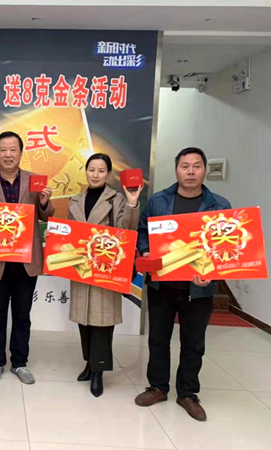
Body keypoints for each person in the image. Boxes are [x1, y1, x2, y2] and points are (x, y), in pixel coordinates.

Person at [134, 147, 231, 421]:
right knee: (158, 339)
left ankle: (187, 393)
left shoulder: (220, 205)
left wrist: (212, 271)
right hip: (162, 286)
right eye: (185, 166)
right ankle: (158, 387)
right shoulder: (158, 201)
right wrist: (146, 252)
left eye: (196, 166)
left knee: (193, 343)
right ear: (176, 169)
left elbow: (225, 246)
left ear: (204, 170)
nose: (190, 171)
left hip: (199, 289)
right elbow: (143, 232)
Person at [46, 153, 141, 397]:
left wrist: (132, 204)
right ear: (86, 171)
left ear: (108, 174)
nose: (95, 175)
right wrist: (55, 237)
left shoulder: (117, 199)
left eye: (101, 171)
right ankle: (89, 363)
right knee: (84, 320)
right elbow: (70, 233)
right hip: (81, 267)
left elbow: (127, 230)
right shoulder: (76, 200)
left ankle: (98, 371)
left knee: (102, 322)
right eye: (91, 170)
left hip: (106, 268)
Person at [0, 131, 54, 385]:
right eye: (3, 150)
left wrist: (44, 202)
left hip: (26, 260)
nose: (8, 154)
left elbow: (46, 216)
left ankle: (20, 362)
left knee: (22, 313)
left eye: (13, 149)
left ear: (21, 152)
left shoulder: (35, 182)